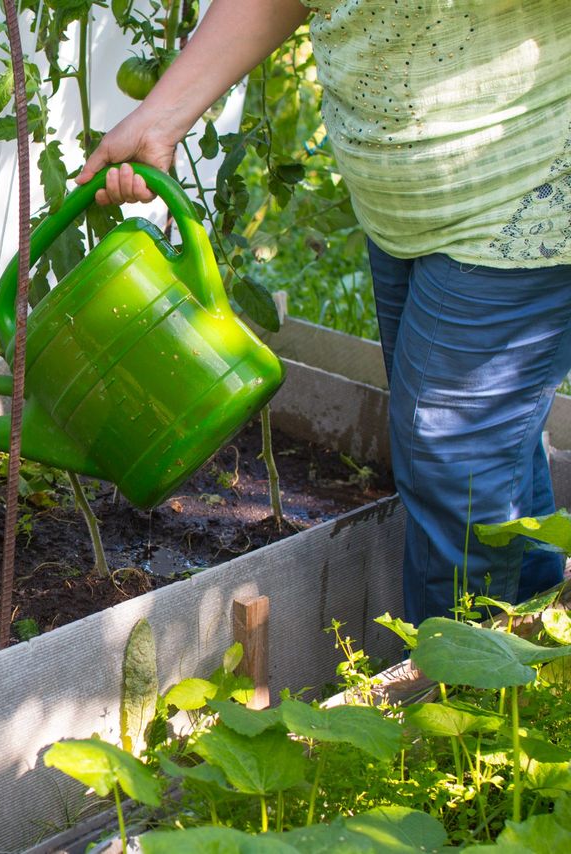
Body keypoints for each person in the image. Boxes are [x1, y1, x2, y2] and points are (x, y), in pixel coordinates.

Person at [78, 0, 571, 625]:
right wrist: (160, 117)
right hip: (405, 207)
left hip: (521, 197)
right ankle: (530, 651)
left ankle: (460, 698)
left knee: (452, 453)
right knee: (482, 454)